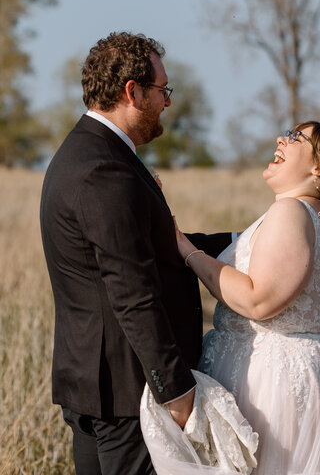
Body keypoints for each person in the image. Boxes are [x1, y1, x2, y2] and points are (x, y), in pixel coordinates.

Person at [40, 32, 232, 475]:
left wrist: (253, 238)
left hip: (102, 386)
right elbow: (132, 292)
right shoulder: (103, 170)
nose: (167, 101)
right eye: (163, 90)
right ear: (133, 92)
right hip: (130, 396)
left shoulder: (89, 153)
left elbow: (152, 248)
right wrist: (176, 391)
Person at [174, 121, 320, 475]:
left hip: (275, 386)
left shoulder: (292, 211)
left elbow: (259, 301)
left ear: (318, 167)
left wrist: (184, 248)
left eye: (295, 137)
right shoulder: (307, 214)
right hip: (299, 373)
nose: (280, 139)